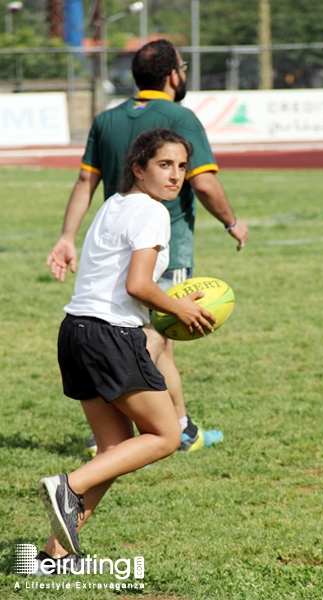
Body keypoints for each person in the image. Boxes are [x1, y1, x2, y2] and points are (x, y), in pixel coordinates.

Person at [46, 38, 249, 454]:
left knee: (150, 339)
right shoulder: (180, 117)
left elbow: (87, 182)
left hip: (110, 250)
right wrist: (231, 222)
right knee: (158, 338)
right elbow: (205, 182)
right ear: (174, 74)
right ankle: (172, 426)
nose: (175, 173)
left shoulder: (106, 118)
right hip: (157, 248)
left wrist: (67, 236)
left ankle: (145, 421)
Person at [36, 129, 217, 575]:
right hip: (110, 337)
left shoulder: (112, 206)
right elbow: (138, 284)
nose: (176, 176)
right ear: (138, 168)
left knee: (113, 449)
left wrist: (170, 307)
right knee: (166, 435)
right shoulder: (151, 212)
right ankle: (68, 485)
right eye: (164, 165)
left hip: (75, 331)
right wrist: (180, 309)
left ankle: (50, 558)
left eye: (181, 167)